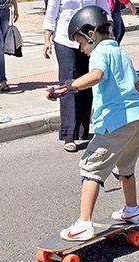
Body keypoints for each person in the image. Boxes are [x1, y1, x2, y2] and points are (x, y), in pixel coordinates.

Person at [47, 6, 139, 241]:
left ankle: (84, 223)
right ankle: (132, 211)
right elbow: (138, 87)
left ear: (90, 32)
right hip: (138, 121)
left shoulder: (100, 51)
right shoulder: (121, 52)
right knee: (126, 169)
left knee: (90, 167)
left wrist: (70, 85)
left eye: (80, 42)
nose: (81, 49)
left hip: (114, 124)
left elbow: (97, 75)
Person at [43, 0, 109, 152]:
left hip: (90, 40)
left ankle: (82, 130)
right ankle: (69, 134)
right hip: (65, 40)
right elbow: (51, 13)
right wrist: (47, 40)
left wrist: (107, 34)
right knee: (69, 82)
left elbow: (104, 11)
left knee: (87, 82)